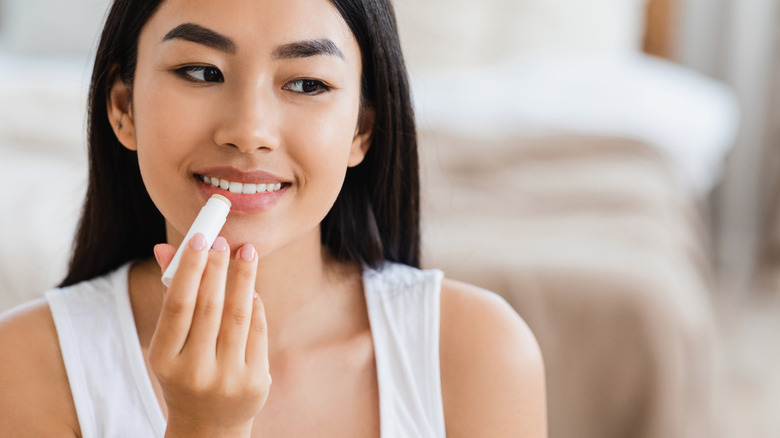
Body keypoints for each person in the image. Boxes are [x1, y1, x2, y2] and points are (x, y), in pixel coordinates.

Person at [0, 0, 547, 436]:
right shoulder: (25, 365)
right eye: (200, 71)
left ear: (361, 128)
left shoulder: (479, 352)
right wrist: (203, 429)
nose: (249, 129)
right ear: (123, 108)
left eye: (307, 84)